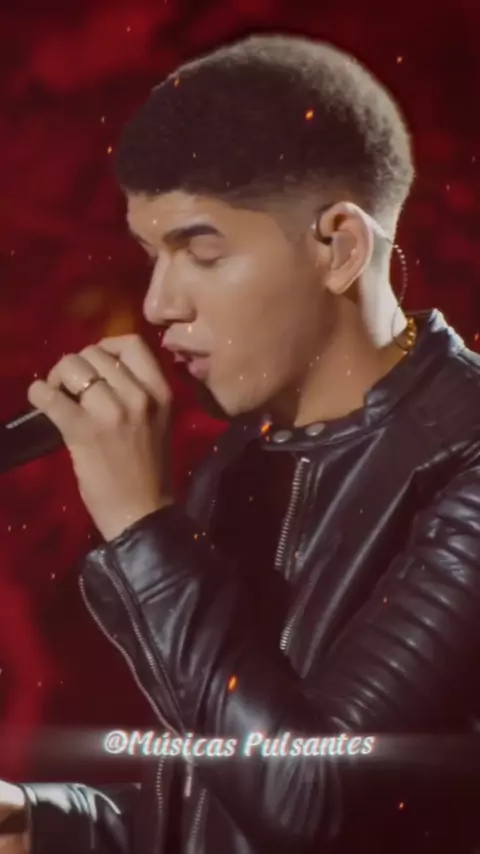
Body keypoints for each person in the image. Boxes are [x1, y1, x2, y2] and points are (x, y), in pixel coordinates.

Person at [2, 32, 480, 854]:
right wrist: (40, 820)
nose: (158, 305)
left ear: (339, 247)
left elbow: (315, 803)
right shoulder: (246, 458)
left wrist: (142, 529)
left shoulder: (466, 461)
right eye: (151, 255)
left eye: (201, 252)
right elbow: (221, 805)